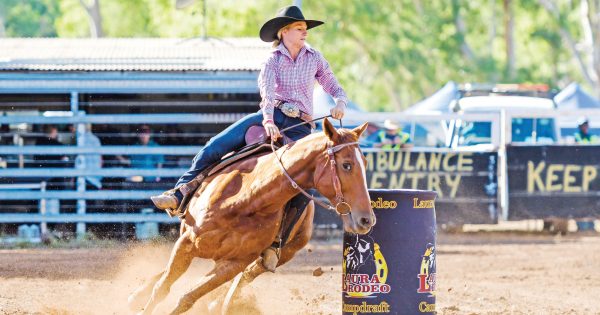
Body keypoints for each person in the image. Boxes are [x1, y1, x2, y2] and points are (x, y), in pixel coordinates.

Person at [150, 5, 347, 271]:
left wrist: (340, 101)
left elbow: (331, 83)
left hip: (300, 125)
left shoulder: (314, 57)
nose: (305, 33)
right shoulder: (272, 60)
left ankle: (276, 245)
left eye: (305, 29)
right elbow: (267, 92)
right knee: (215, 146)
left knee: (304, 186)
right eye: (300, 28)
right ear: (284, 31)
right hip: (272, 116)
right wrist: (267, 120)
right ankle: (180, 193)